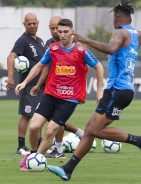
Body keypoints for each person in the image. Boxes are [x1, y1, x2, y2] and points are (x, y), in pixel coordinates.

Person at [47, 1, 141, 181]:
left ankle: (140, 141)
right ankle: (68, 169)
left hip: (117, 89)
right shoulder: (138, 35)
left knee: (95, 130)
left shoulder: (120, 32)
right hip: (121, 90)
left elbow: (111, 48)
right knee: (89, 130)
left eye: (113, 17)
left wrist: (85, 39)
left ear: (116, 17)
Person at [15, 18, 104, 171]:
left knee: (50, 131)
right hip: (50, 94)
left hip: (69, 99)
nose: (62, 34)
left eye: (65, 32)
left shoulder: (81, 51)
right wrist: (24, 82)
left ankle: (35, 161)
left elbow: (99, 67)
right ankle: (32, 153)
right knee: (34, 127)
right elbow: (39, 66)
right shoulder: (53, 49)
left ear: (72, 32)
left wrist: (100, 90)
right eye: (59, 31)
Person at [43, 16, 85, 159]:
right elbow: (43, 66)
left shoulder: (77, 47)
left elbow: (82, 69)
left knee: (56, 121)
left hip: (65, 90)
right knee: (52, 120)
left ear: (70, 31)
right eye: (53, 28)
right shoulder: (49, 44)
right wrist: (38, 84)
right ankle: (80, 134)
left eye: (60, 29)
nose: (57, 32)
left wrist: (79, 91)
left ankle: (57, 149)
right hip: (49, 87)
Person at [6, 12, 48, 155]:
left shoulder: (41, 41)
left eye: (34, 23)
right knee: (26, 115)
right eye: (29, 23)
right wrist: (11, 77)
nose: (32, 26)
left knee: (40, 116)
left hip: (41, 85)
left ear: (38, 23)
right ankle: (21, 146)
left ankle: (39, 144)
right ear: (24, 24)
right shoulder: (22, 40)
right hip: (29, 85)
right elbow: (11, 56)